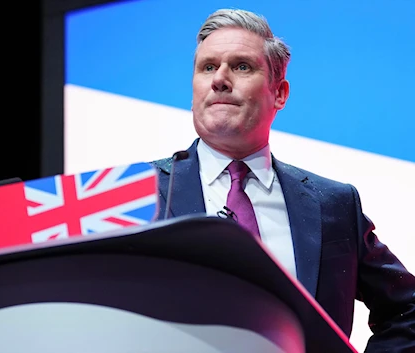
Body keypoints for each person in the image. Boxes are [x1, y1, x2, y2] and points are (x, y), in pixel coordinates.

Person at [150, 8, 415, 352]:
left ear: (279, 93)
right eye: (208, 67)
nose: (219, 79)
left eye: (242, 66)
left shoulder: (333, 205)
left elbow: (407, 309)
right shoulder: (141, 191)